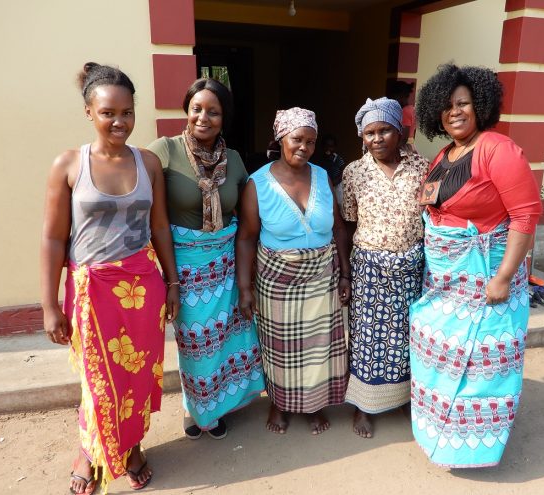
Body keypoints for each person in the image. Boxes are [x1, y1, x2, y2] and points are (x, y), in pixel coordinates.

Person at [40, 62, 180, 493]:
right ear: (89, 112)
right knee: (98, 379)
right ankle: (89, 450)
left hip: (143, 287)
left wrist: (172, 283)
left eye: (128, 112)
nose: (119, 121)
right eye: (108, 113)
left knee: (138, 375)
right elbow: (52, 238)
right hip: (90, 290)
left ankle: (133, 445)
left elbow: (159, 228)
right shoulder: (68, 164)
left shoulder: (149, 162)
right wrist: (49, 306)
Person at [409, 63, 542, 468]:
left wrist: (503, 278)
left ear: (480, 106)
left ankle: (472, 448)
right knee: (443, 355)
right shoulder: (445, 155)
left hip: (485, 281)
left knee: (482, 365)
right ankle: (440, 433)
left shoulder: (499, 150)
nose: (455, 112)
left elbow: (525, 216)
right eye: (447, 106)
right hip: (445, 283)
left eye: (463, 104)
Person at [148, 78, 265, 441]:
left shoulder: (233, 159)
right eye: (197, 108)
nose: (203, 117)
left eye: (213, 111)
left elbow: (247, 212)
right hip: (183, 266)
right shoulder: (163, 151)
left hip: (226, 265)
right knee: (196, 343)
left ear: (223, 118)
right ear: (186, 109)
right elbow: (150, 214)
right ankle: (194, 407)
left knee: (228, 340)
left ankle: (219, 403)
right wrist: (170, 279)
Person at [236, 107, 351, 435]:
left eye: (311, 141)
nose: (304, 147)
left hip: (322, 276)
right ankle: (279, 402)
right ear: (280, 139)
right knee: (280, 350)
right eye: (297, 139)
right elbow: (246, 238)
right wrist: (245, 289)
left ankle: (313, 404)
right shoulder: (258, 184)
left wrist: (345, 273)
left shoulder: (322, 177)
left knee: (318, 347)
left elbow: (340, 229)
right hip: (277, 279)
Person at [341, 97, 429, 438]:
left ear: (400, 132)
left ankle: (405, 398)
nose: (377, 139)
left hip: (411, 267)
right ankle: (364, 406)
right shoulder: (354, 172)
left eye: (385, 131)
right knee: (367, 338)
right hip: (369, 268)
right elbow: (348, 223)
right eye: (370, 133)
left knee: (407, 336)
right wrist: (347, 271)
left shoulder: (421, 168)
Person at [313, 134, 346, 206]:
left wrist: (337, 180)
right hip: (325, 184)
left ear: (334, 148)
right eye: (326, 146)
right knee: (328, 201)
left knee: (339, 201)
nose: (328, 148)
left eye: (331, 146)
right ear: (322, 147)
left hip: (337, 183)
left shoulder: (336, 158)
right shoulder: (320, 159)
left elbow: (343, 170)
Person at [389, 80, 417, 148]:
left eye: (393, 97)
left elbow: (404, 138)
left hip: (404, 146)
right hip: (411, 143)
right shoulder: (411, 109)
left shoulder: (405, 111)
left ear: (400, 96)